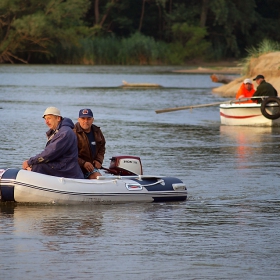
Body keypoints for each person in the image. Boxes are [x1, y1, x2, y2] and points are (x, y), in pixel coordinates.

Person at [22, 107, 84, 179]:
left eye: (49, 118)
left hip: (67, 169)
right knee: (35, 165)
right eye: (45, 119)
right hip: (63, 165)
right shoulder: (58, 131)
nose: (46, 122)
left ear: (58, 118)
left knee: (37, 166)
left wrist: (30, 161)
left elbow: (50, 153)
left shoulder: (65, 132)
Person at [73, 108, 106, 179]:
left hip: (91, 168)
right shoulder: (72, 132)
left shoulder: (97, 131)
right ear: (78, 119)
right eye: (83, 118)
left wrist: (99, 160)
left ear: (92, 120)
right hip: (75, 167)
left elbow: (102, 147)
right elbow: (68, 153)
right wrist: (83, 163)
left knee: (98, 178)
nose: (86, 121)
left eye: (88, 119)